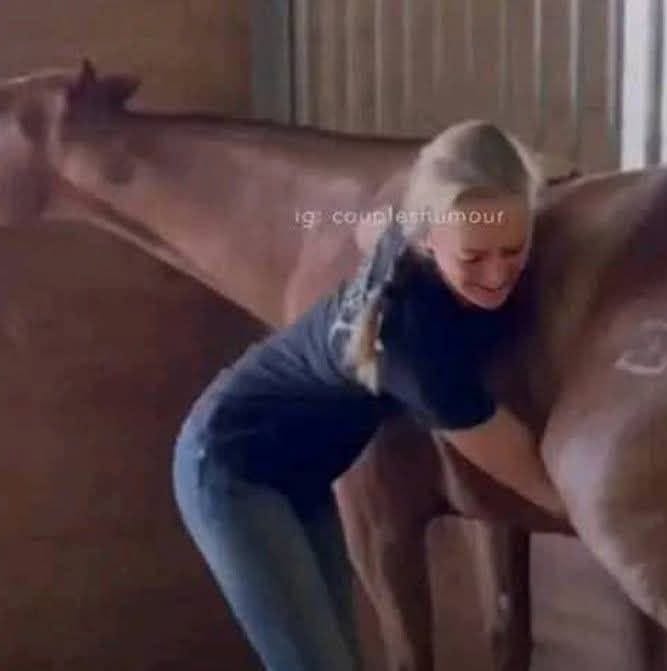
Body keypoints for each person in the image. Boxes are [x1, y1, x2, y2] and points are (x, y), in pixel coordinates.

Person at [172, 120, 566, 671]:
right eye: (473, 258)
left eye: (514, 249)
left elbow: (370, 225)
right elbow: (536, 481)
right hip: (229, 465)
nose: (498, 274)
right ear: (427, 242)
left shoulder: (406, 235)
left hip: (303, 475)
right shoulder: (414, 343)